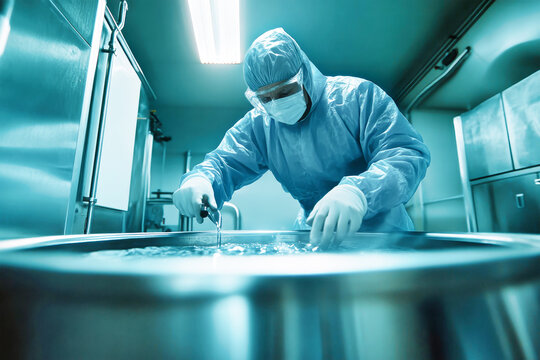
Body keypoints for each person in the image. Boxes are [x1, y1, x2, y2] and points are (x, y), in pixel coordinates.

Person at [173, 28, 430, 249]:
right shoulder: (260, 125)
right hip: (315, 238)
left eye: (286, 91)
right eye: (265, 98)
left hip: (383, 239)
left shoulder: (357, 98)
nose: (276, 104)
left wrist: (359, 193)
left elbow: (405, 154)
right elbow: (224, 162)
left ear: (305, 73)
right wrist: (201, 179)